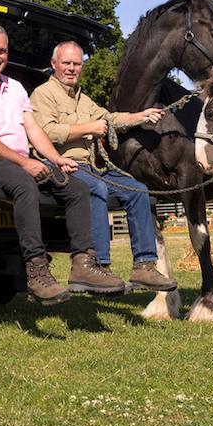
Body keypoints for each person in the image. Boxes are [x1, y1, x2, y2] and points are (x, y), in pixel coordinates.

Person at [0, 24, 125, 305]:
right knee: (23, 184)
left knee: (76, 188)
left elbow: (33, 130)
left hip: (16, 162)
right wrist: (26, 163)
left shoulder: (16, 87)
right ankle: (36, 270)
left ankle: (83, 263)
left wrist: (57, 159)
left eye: (2, 51)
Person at [31, 40, 177, 291]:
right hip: (58, 164)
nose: (71, 68)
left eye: (76, 64)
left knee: (138, 189)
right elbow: (47, 132)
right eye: (66, 63)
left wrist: (140, 116)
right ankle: (97, 266)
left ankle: (144, 266)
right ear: (53, 64)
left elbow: (108, 119)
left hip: (89, 167)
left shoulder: (82, 99)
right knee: (96, 187)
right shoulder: (42, 94)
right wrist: (88, 128)